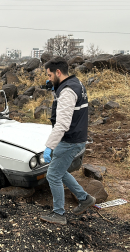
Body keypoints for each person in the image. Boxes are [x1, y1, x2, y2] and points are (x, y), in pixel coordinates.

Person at [40, 57, 96, 225]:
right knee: (60, 171)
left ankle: (58, 214)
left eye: (50, 75)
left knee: (53, 175)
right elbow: (66, 103)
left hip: (70, 140)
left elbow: (63, 123)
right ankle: (84, 198)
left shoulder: (67, 91)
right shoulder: (74, 83)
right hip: (76, 136)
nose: (48, 78)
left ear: (58, 72)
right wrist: (53, 88)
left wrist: (49, 146)